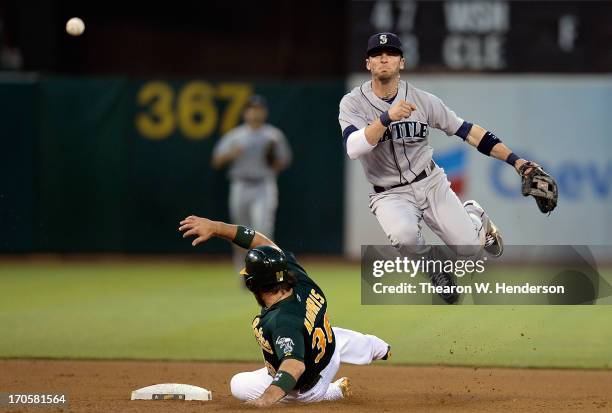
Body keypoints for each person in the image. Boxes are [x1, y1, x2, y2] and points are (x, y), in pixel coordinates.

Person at [338, 33, 542, 304]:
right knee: (404, 236)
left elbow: (468, 131)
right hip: (388, 193)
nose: (383, 58)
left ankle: (475, 216)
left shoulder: (423, 100)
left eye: (391, 53)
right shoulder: (352, 103)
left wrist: (516, 160)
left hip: (430, 182)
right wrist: (386, 118)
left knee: (468, 249)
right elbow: (353, 147)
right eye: (376, 54)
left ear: (402, 62)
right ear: (368, 63)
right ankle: (436, 270)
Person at [179, 215, 391, 406]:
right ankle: (376, 347)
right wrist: (216, 227)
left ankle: (331, 392)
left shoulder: (281, 321)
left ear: (252, 284)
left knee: (238, 385)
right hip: (328, 351)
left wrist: (265, 399)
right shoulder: (298, 279)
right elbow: (262, 243)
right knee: (332, 335)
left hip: (305, 388)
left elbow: (294, 366)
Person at [211, 95, 292, 269]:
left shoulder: (273, 136)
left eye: (258, 109)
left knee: (263, 230)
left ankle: (267, 271)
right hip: (240, 184)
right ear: (245, 113)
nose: (254, 113)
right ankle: (244, 272)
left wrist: (273, 159)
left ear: (264, 112)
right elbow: (216, 160)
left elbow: (284, 162)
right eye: (251, 109)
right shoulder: (236, 136)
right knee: (239, 232)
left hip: (264, 184)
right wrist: (231, 154)